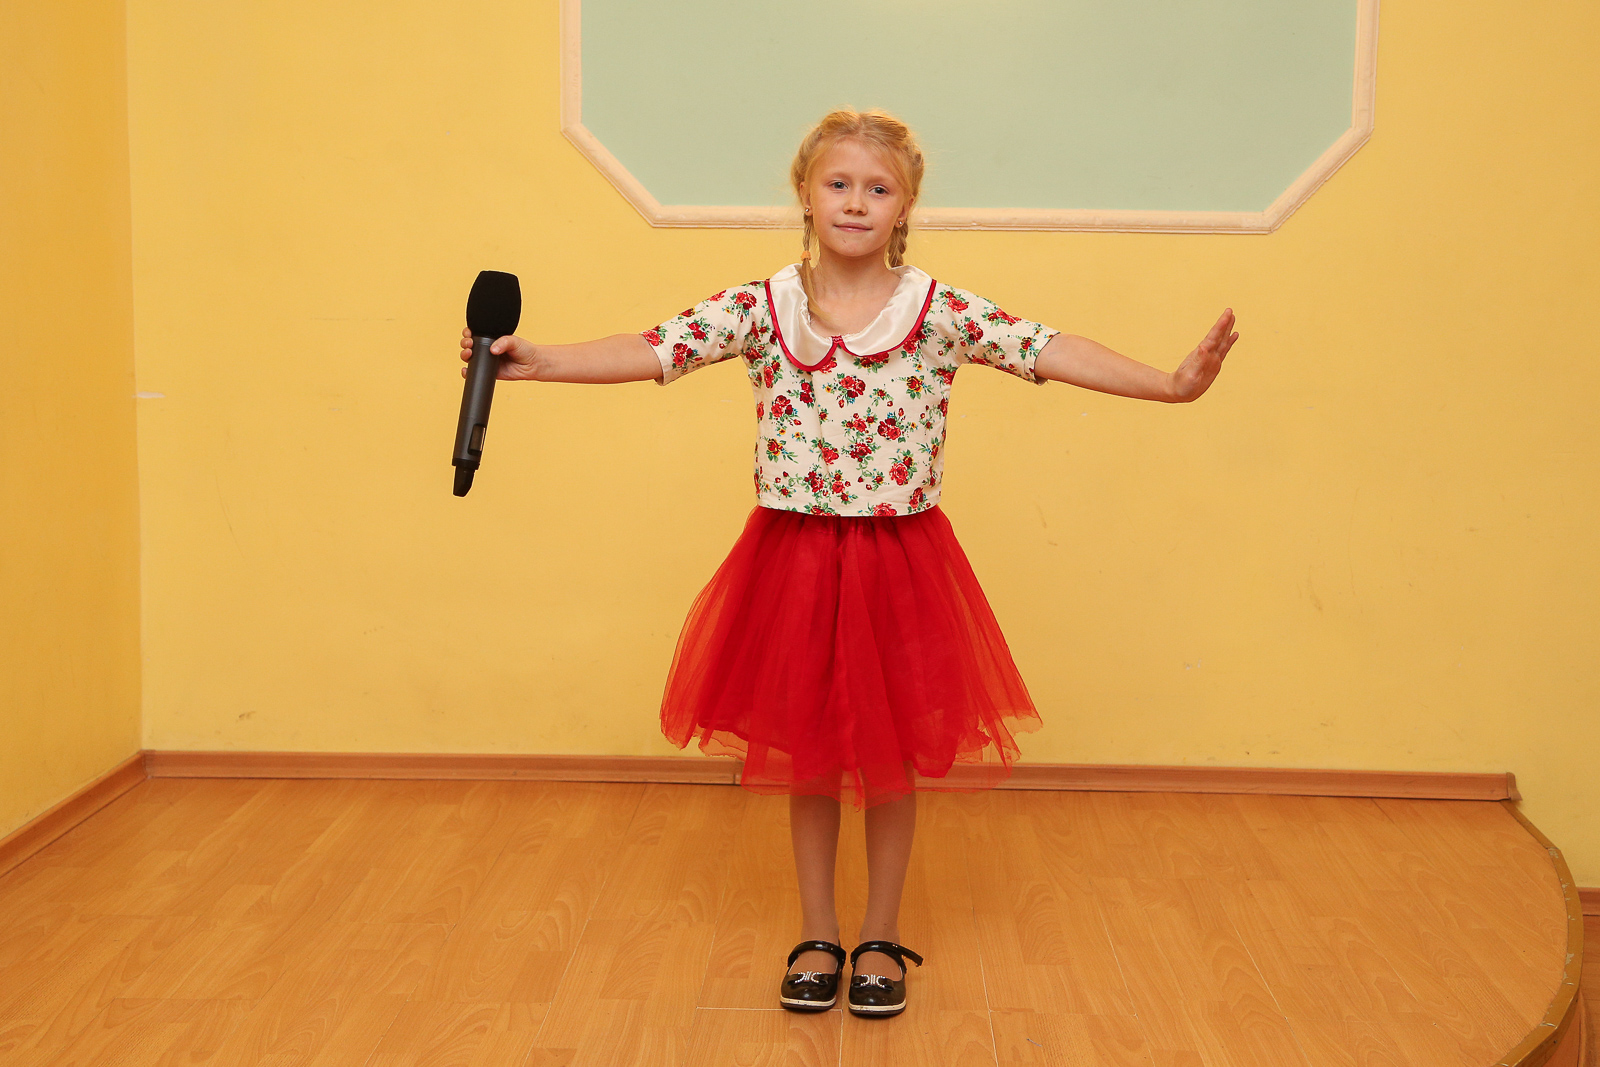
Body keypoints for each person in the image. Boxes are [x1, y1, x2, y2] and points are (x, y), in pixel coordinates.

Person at [458, 108, 1236, 1019]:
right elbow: (654, 347)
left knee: (890, 758)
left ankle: (879, 934)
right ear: (805, 193)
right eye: (839, 184)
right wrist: (540, 360)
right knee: (812, 756)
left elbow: (1048, 348)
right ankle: (819, 931)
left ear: (904, 206)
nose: (856, 202)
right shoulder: (763, 307)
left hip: (898, 565)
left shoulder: (937, 311)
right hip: (792, 562)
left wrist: (1170, 384)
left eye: (878, 188)